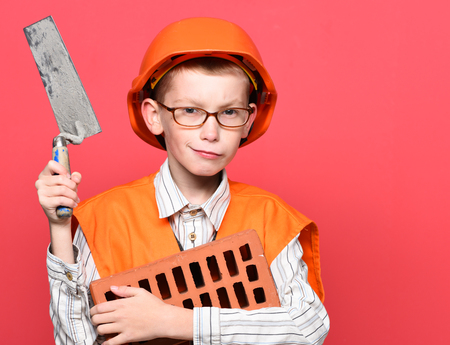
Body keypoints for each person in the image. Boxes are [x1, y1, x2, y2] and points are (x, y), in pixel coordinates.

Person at [36, 17, 330, 345]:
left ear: (249, 121)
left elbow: (308, 328)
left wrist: (177, 321)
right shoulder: (102, 219)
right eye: (190, 111)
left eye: (229, 112)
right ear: (154, 116)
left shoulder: (273, 219)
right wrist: (60, 230)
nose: (211, 132)